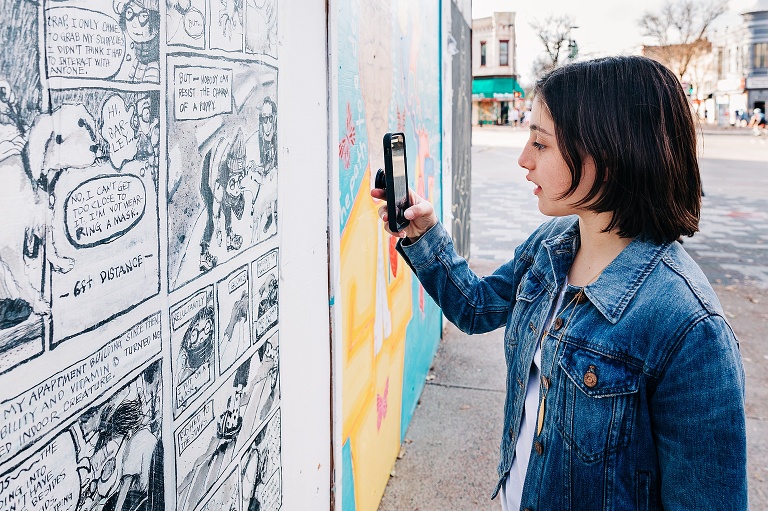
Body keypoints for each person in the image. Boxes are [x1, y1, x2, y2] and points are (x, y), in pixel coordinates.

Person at [372, 55, 747, 509]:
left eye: (541, 144)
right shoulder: (555, 243)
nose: (523, 159)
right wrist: (422, 234)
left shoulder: (690, 330)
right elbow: (477, 307)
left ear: (607, 157)